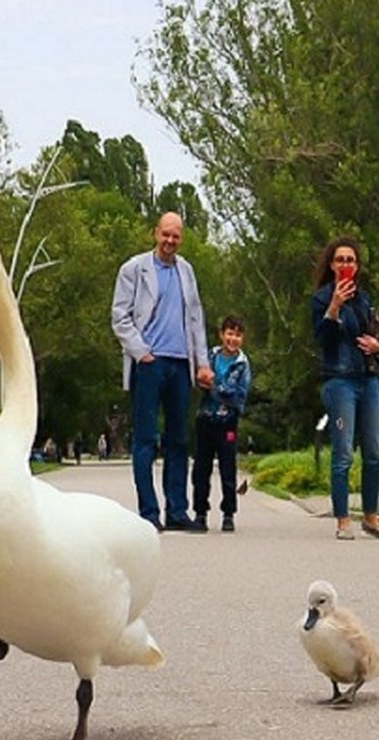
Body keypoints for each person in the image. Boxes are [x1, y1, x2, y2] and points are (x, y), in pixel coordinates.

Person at [112, 212, 214, 532]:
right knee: (145, 439)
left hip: (180, 363)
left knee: (179, 440)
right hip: (150, 364)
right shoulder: (134, 269)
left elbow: (196, 319)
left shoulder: (186, 271)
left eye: (176, 236)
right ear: (155, 233)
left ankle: (177, 510)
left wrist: (202, 363)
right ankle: (149, 512)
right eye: (165, 234)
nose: (170, 241)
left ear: (182, 238)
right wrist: (142, 353)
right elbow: (120, 317)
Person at [310, 235, 379, 540]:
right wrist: (334, 307)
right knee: (343, 452)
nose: (346, 264)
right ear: (332, 265)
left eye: (351, 260)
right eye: (340, 260)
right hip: (339, 380)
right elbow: (323, 339)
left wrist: (378, 345)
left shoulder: (365, 300)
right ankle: (343, 519)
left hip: (367, 379)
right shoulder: (321, 299)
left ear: (357, 266)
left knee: (375, 452)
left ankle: (371, 516)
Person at [190, 315, 252, 533]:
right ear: (222, 334)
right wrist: (205, 382)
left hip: (228, 422)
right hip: (206, 418)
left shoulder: (242, 365)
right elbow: (199, 379)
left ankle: (228, 513)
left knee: (228, 468)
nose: (233, 339)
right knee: (201, 469)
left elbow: (237, 395)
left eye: (237, 335)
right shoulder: (211, 356)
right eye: (229, 333)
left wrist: (214, 385)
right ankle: (200, 512)